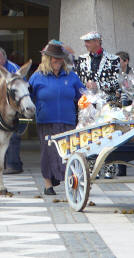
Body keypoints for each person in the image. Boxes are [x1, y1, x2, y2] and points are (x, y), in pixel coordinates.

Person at [29, 41, 85, 195]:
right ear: (47, 59)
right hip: (46, 121)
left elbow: (83, 95)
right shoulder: (36, 77)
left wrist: (90, 94)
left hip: (68, 122)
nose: (58, 61)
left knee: (66, 153)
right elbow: (29, 98)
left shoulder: (71, 76)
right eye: (55, 58)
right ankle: (48, 184)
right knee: (48, 153)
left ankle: (66, 179)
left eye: (60, 58)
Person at [75, 31, 120, 179]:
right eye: (85, 42)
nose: (85, 45)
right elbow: (77, 80)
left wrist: (99, 85)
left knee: (108, 133)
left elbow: (117, 81)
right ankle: (91, 165)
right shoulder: (81, 59)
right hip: (87, 103)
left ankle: (109, 166)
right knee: (88, 133)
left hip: (106, 102)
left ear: (97, 42)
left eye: (88, 42)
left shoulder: (113, 59)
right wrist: (86, 86)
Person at [0, 47, 26, 174]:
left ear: (4, 57)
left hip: (14, 108)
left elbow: (21, 87)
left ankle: (13, 164)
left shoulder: (13, 68)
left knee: (13, 136)